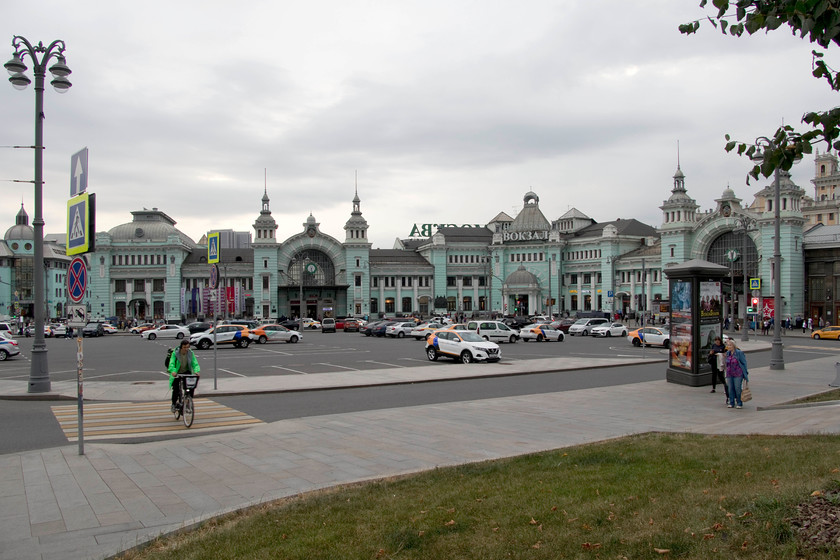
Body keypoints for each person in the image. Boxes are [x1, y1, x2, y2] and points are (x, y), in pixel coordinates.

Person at [167, 339, 200, 413]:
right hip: (177, 373)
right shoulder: (176, 353)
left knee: (191, 387)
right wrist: (173, 371)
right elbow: (171, 363)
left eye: (187, 347)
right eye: (184, 347)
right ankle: (174, 404)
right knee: (176, 389)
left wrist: (197, 371)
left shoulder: (190, 353)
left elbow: (195, 363)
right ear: (181, 347)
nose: (186, 349)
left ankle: (188, 403)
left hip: (186, 372)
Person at [724, 339, 749, 409]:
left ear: (734, 346)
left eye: (730, 345)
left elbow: (744, 363)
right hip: (729, 373)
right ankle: (731, 402)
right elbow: (727, 363)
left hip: (738, 373)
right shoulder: (728, 353)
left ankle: (739, 402)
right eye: (728, 345)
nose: (729, 347)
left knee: (737, 388)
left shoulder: (739, 353)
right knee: (730, 388)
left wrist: (745, 373)